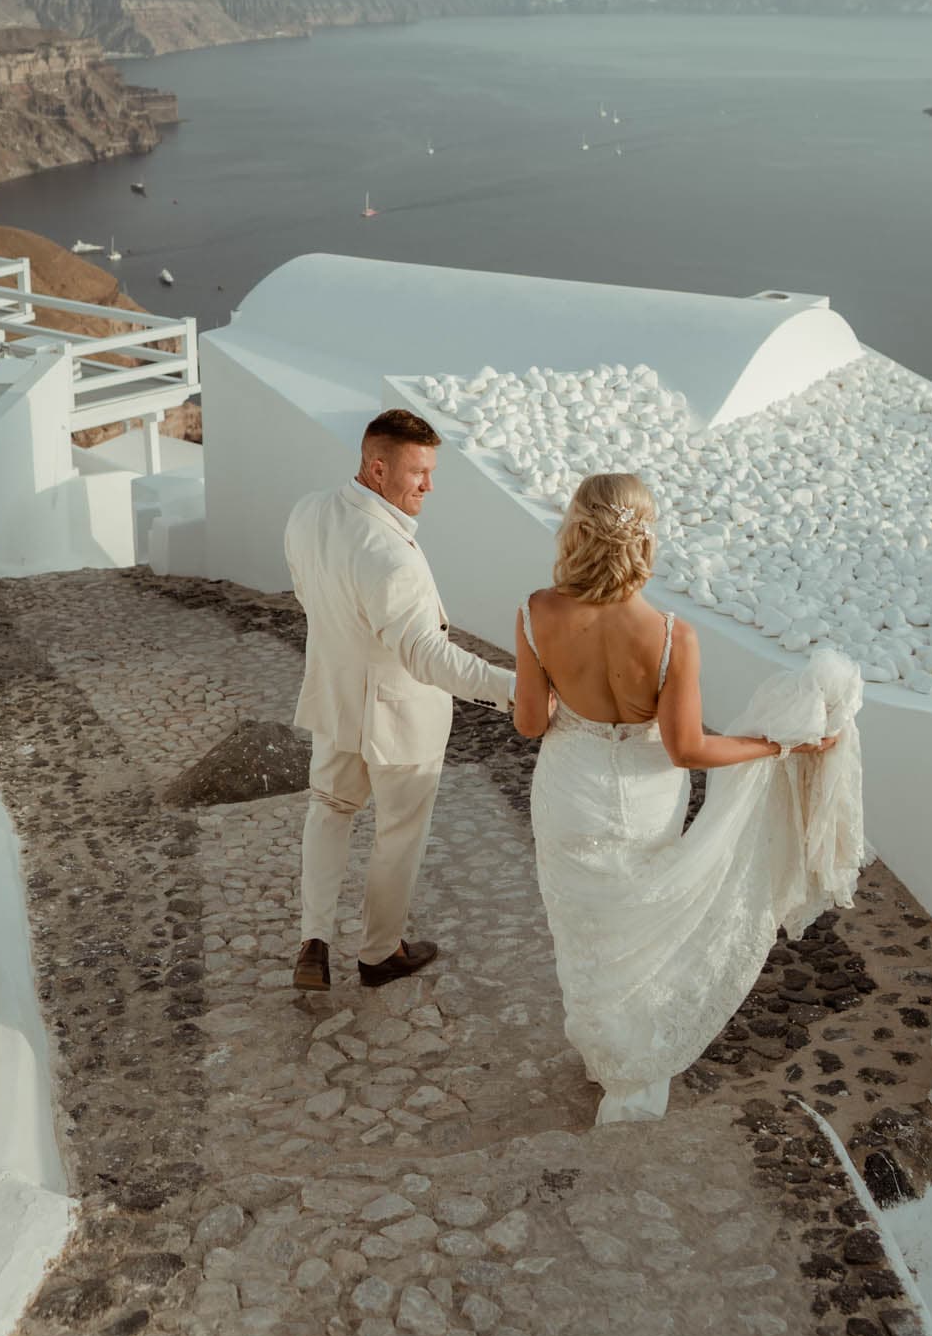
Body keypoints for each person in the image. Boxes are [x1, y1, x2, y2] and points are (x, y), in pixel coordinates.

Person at [515, 471, 862, 1125]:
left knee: (581, 927)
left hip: (569, 791)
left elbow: (531, 724)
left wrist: (566, 687)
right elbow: (688, 750)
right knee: (639, 926)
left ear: (576, 531)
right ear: (645, 540)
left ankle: (599, 1046)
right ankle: (631, 1064)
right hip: (645, 800)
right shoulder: (672, 636)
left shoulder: (536, 611)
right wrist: (778, 746)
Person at [285, 408, 514, 993]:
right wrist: (514, 689)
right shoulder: (394, 558)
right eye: (418, 472)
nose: (428, 486)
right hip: (402, 722)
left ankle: (313, 943)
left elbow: (309, 595)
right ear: (377, 468)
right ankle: (379, 953)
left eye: (432, 471)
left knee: (329, 809)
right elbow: (429, 658)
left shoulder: (307, 513)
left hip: (336, 702)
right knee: (398, 834)